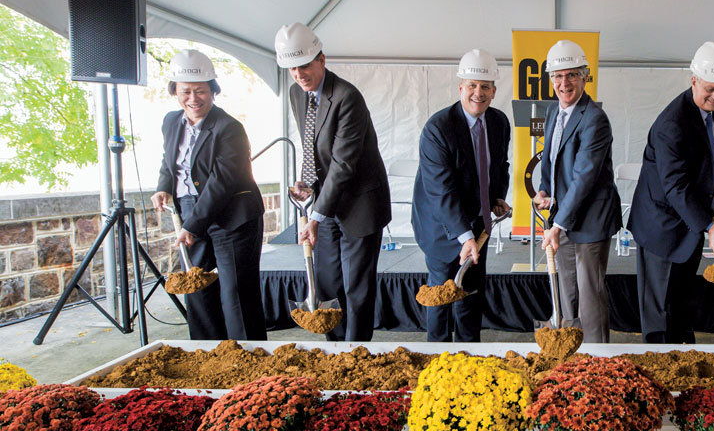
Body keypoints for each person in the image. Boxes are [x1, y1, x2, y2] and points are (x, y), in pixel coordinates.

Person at [274, 22, 392, 341]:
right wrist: (306, 183)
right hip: (325, 201)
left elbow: (343, 163)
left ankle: (357, 353)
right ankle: (336, 352)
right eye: (292, 68)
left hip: (360, 204)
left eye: (304, 65)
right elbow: (311, 143)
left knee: (356, 289)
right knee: (328, 285)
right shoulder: (296, 93)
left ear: (321, 59)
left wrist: (314, 215)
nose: (299, 74)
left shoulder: (346, 97)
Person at [151, 49, 267, 341]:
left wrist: (192, 226)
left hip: (233, 217)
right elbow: (169, 160)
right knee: (196, 287)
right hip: (191, 209)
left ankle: (251, 360)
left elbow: (222, 182)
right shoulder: (170, 121)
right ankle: (206, 354)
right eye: (186, 91)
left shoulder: (229, 128)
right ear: (175, 91)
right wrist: (163, 185)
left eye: (200, 91)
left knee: (236, 293)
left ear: (213, 91)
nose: (193, 98)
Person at [628, 41, 714, 343]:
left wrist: (713, 205)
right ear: (694, 81)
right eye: (711, 88)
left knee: (680, 304)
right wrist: (709, 225)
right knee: (659, 312)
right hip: (661, 227)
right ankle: (658, 366)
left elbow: (710, 164)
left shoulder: (705, 113)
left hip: (687, 223)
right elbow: (676, 185)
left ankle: (681, 360)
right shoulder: (672, 123)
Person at [411, 49, 510, 342]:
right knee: (441, 294)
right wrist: (464, 236)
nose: (478, 93)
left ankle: (470, 357)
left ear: (494, 91)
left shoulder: (499, 122)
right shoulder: (438, 128)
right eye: (472, 86)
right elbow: (441, 189)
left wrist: (495, 198)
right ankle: (437, 358)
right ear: (460, 88)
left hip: (478, 223)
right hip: (441, 225)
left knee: (470, 293)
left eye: (485, 86)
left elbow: (498, 166)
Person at [532, 40, 622, 343]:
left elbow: (585, 176)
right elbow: (551, 159)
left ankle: (597, 358)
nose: (564, 83)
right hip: (564, 214)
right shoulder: (552, 112)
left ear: (585, 77)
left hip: (591, 219)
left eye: (571, 75)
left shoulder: (594, 119)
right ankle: (570, 352)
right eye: (557, 76)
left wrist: (557, 225)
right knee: (565, 287)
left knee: (589, 294)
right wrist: (544, 189)